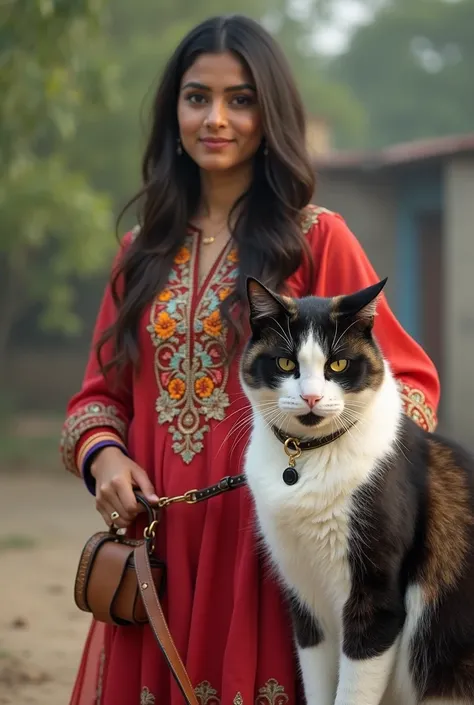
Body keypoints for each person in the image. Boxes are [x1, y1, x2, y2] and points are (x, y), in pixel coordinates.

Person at [60, 14, 440, 705]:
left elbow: (408, 383)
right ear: (172, 109)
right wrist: (104, 458)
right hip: (163, 549)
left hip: (275, 553)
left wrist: (327, 472)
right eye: (197, 96)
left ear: (271, 114)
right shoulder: (139, 254)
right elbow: (97, 398)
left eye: (240, 99)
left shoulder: (316, 240)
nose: (216, 118)